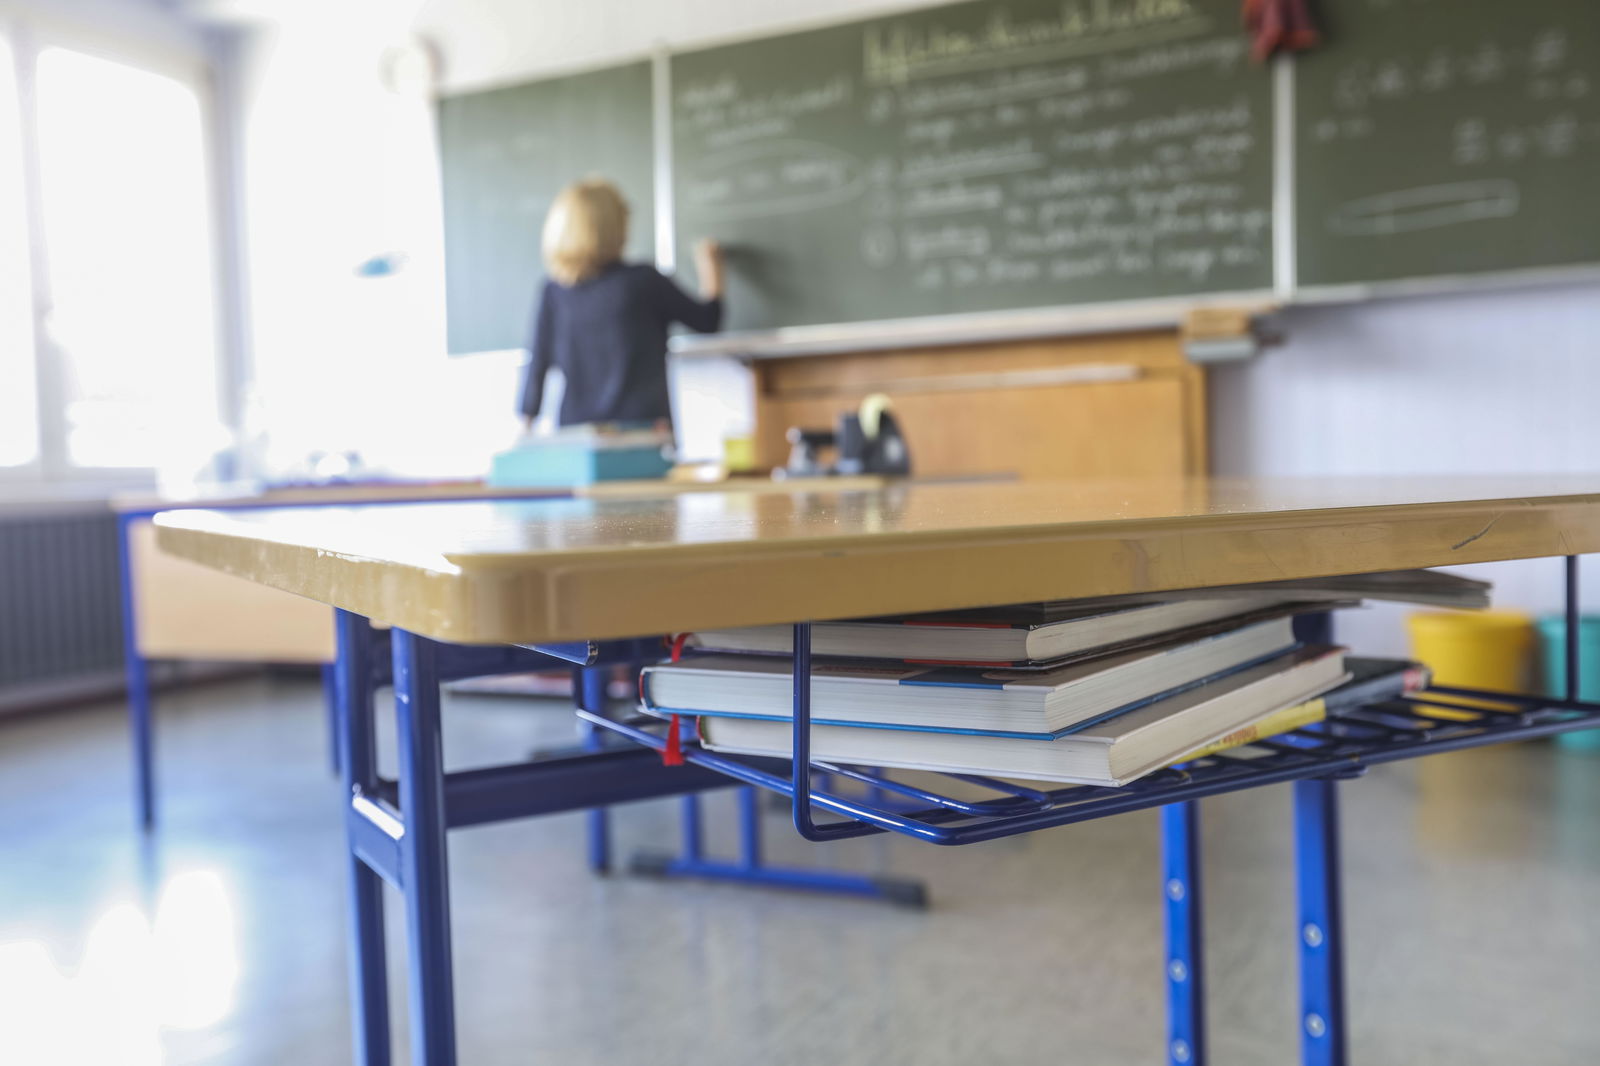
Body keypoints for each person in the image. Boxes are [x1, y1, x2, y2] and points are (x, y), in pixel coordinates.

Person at [518, 178, 724, 431]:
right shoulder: (643, 281)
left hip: (577, 434)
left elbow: (537, 364)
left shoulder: (555, 291)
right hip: (643, 430)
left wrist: (526, 430)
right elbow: (707, 321)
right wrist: (711, 267)